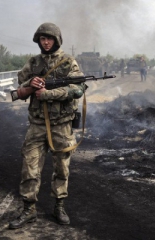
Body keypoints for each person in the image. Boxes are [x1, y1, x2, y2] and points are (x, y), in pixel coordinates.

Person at [8, 22, 86, 229]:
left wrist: (49, 94)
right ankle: (28, 209)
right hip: (37, 125)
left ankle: (59, 206)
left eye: (49, 38)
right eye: (42, 38)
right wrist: (31, 85)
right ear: (38, 41)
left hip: (61, 125)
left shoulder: (68, 62)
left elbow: (78, 89)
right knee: (29, 168)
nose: (46, 42)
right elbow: (19, 88)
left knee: (61, 169)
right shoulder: (33, 63)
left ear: (57, 39)